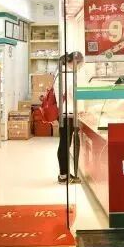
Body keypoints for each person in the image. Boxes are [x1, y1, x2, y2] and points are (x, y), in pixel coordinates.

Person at [55, 51, 84, 184]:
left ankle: (63, 174)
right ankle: (64, 176)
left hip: (63, 113)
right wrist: (81, 109)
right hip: (68, 114)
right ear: (75, 62)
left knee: (63, 144)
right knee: (65, 145)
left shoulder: (61, 72)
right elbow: (74, 94)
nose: (79, 68)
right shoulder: (68, 74)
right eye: (80, 65)